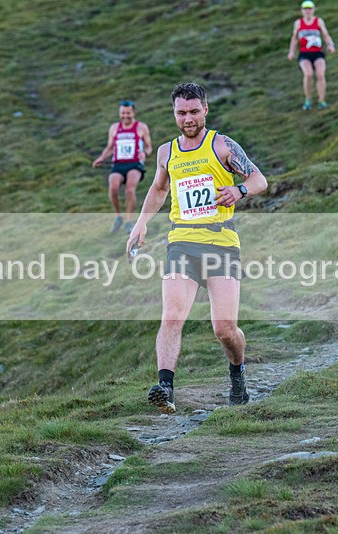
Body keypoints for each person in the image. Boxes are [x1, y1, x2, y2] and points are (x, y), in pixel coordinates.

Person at [126, 83, 268, 414]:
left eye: (193, 111)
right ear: (173, 113)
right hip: (182, 242)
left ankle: (237, 376)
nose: (187, 118)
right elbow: (159, 189)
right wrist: (141, 223)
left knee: (224, 329)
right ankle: (166, 388)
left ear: (205, 110)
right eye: (181, 113)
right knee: (172, 315)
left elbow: (260, 180)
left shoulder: (222, 146)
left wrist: (239, 191)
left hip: (221, 242)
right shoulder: (167, 152)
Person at [92, 100, 153, 234]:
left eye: (128, 113)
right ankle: (118, 217)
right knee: (113, 187)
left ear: (133, 113)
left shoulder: (141, 127)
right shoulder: (114, 128)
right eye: (123, 113)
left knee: (129, 190)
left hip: (135, 164)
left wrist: (144, 153)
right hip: (118, 164)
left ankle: (128, 221)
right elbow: (110, 148)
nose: (125, 116)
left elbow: (149, 147)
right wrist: (101, 158)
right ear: (120, 113)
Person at [287, 0, 336, 110]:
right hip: (304, 54)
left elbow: (326, 35)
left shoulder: (318, 21)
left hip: (318, 53)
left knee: (320, 75)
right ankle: (308, 99)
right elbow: (294, 39)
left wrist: (330, 45)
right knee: (308, 75)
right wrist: (291, 51)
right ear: (302, 11)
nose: (308, 11)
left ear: (313, 10)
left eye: (310, 9)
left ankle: (322, 100)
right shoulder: (298, 23)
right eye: (305, 9)